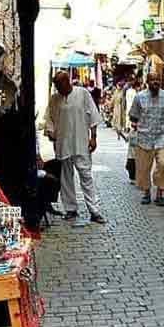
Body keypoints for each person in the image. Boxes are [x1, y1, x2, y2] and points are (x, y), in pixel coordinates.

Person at [45, 71, 105, 226]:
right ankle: (70, 209)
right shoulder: (54, 99)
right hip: (63, 144)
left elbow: (93, 116)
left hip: (81, 143)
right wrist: (51, 132)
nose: (57, 88)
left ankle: (94, 210)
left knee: (86, 176)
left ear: (67, 81)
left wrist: (93, 137)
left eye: (59, 84)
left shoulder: (83, 94)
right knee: (66, 177)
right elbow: (49, 119)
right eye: (55, 85)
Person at [128, 73, 164, 206]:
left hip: (162, 137)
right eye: (153, 80)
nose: (156, 82)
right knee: (143, 168)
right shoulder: (139, 97)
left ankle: (160, 194)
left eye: (158, 80)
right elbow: (133, 116)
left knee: (163, 164)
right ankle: (146, 193)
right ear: (147, 82)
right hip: (144, 137)